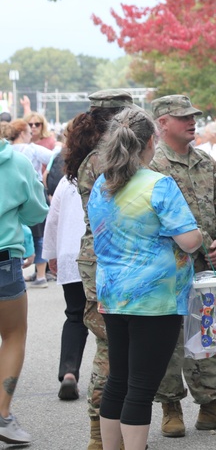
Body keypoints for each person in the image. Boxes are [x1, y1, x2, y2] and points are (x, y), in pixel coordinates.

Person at [88, 106, 204, 450]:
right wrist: (196, 232)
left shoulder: (101, 184)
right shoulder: (159, 185)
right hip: (155, 300)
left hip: (113, 294)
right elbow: (190, 240)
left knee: (118, 381)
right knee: (141, 385)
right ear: (152, 141)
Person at [149, 95, 216, 437]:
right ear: (162, 122)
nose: (192, 122)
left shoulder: (205, 162)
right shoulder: (151, 166)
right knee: (168, 338)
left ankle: (211, 407)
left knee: (209, 333)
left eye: (193, 116)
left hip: (207, 265)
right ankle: (170, 406)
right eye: (183, 117)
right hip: (167, 268)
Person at [63, 89, 134, 450]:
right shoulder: (104, 159)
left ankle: (107, 429)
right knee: (111, 345)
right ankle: (100, 431)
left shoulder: (96, 156)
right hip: (111, 258)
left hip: (105, 258)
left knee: (115, 344)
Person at [0, 130, 49, 445]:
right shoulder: (17, 162)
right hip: (5, 260)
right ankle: (2, 415)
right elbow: (36, 212)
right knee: (14, 335)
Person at [41, 120, 89, 402]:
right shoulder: (106, 174)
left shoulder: (67, 180)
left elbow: (53, 219)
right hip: (98, 254)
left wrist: (52, 256)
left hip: (70, 253)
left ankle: (69, 371)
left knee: (75, 315)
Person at [9, 118, 53, 288]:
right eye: (30, 129)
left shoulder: (6, 152)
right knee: (39, 237)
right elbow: (54, 156)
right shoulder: (31, 150)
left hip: (12, 199)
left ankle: (18, 271)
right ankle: (41, 274)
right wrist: (46, 173)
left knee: (18, 235)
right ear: (22, 133)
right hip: (31, 195)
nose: (33, 131)